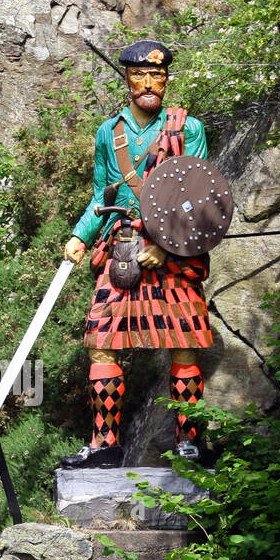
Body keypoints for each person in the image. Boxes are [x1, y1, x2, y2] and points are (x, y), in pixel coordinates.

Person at [60, 39, 213, 468]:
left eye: (157, 76)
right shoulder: (110, 133)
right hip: (122, 247)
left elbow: (199, 197)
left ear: (167, 79)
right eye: (140, 76)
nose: (149, 83)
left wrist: (165, 247)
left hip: (172, 255)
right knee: (100, 344)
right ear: (127, 79)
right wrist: (80, 235)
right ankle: (105, 444)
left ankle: (190, 442)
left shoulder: (188, 129)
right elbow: (100, 196)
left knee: (184, 345)